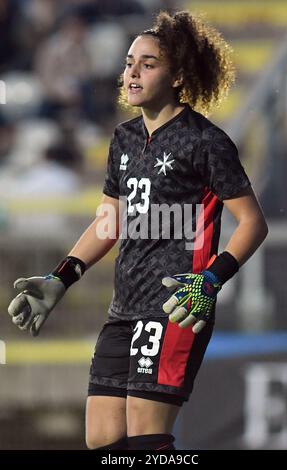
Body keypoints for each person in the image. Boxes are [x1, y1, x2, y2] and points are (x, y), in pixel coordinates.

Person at [7, 10, 268, 450]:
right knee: (103, 442)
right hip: (122, 310)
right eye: (130, 62)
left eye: (148, 64)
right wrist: (61, 277)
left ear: (180, 75)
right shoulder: (123, 139)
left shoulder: (205, 141)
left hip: (175, 307)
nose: (132, 72)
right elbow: (108, 222)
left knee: (146, 440)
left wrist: (210, 279)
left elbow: (253, 223)